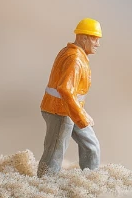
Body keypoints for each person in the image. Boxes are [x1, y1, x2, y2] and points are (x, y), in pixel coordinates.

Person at [37, 18, 103, 177]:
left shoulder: (76, 55)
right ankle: (44, 183)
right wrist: (81, 116)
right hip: (59, 111)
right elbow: (65, 90)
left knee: (91, 146)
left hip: (71, 109)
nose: (98, 44)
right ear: (84, 38)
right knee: (54, 151)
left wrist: (80, 114)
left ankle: (90, 180)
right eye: (95, 39)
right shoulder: (75, 59)